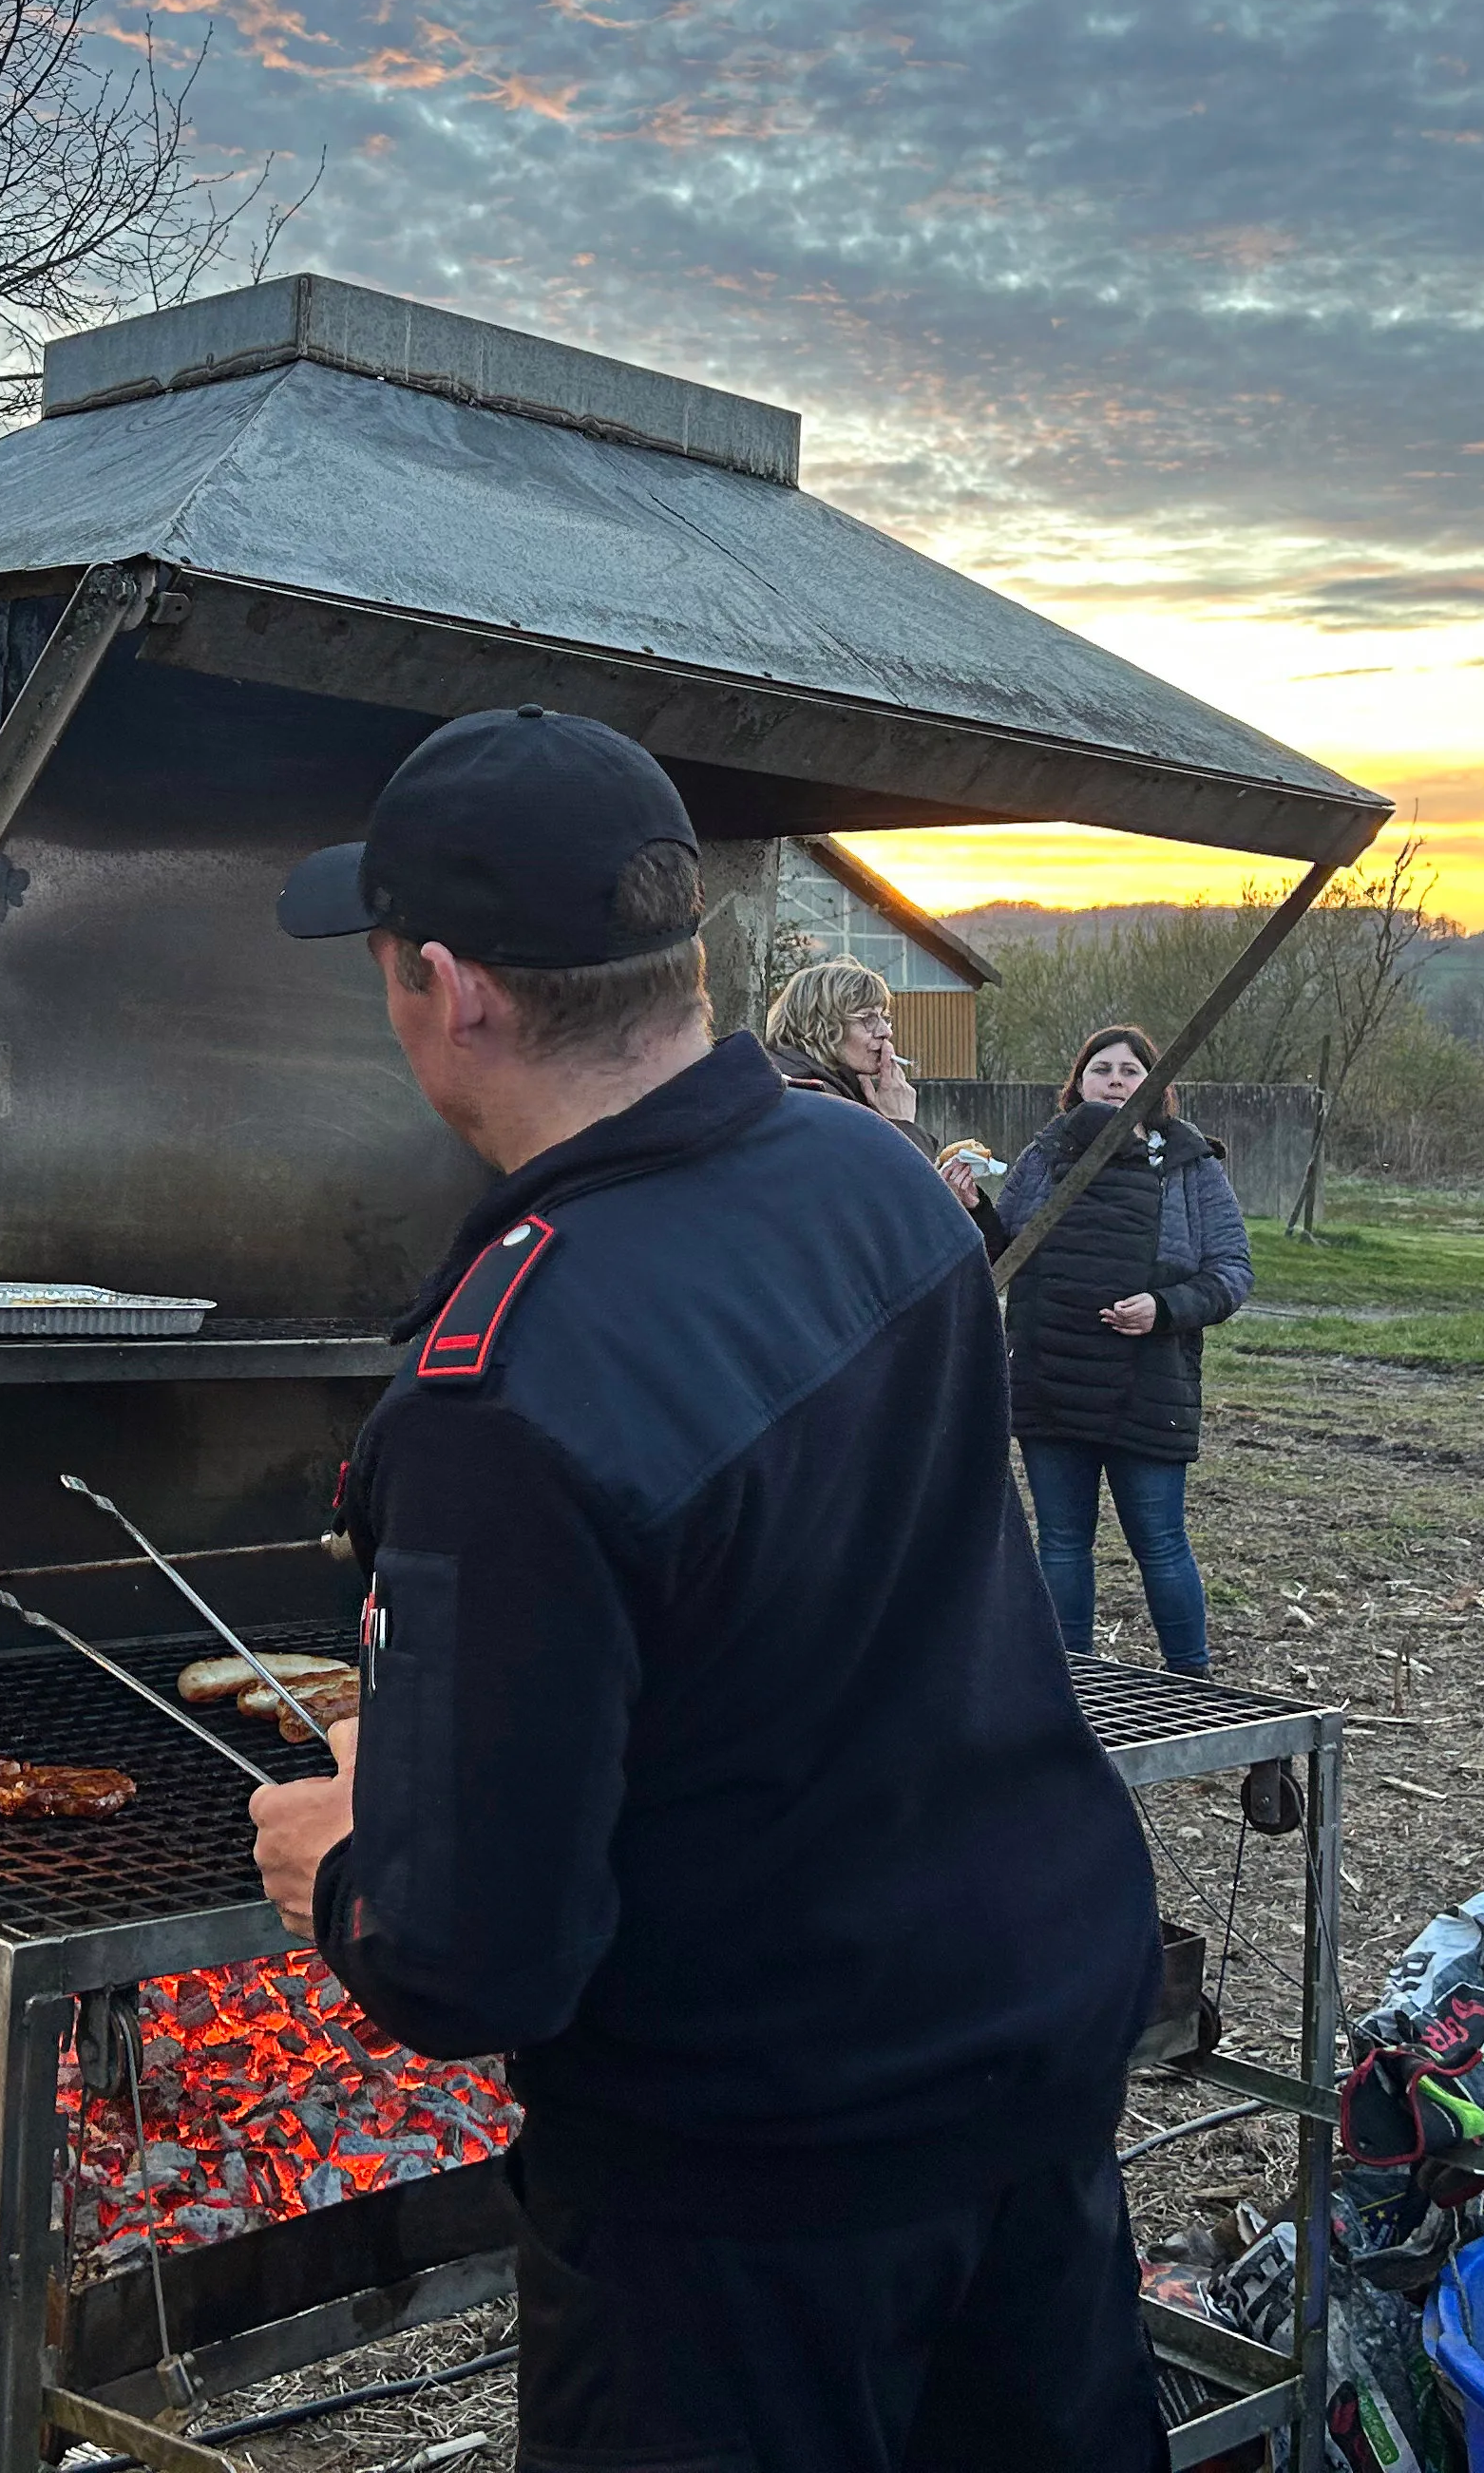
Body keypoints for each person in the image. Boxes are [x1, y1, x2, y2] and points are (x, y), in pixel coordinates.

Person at [247, 707, 1167, 2473]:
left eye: (379, 964)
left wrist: (346, 1856)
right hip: (1022, 2064)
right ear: (679, 951)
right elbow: (822, 1608)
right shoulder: (875, 1181)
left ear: (451, 988)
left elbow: (480, 1959)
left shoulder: (505, 1379)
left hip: (749, 2192)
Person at [999, 1024, 1254, 1677]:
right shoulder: (1042, 1161)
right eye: (1102, 1069)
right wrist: (971, 1207)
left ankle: (1192, 1685)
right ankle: (1071, 1686)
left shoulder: (1188, 1168)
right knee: (1061, 1545)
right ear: (1076, 1085)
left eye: (1131, 1071)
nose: (1116, 1080)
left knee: (1161, 1543)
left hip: (1149, 1387)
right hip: (1052, 1381)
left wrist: (1163, 1308)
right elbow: (999, 1257)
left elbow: (1230, 1272)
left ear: (1156, 1086)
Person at [765, 957, 992, 1213]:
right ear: (821, 1026)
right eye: (868, 1019)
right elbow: (892, 1204)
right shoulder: (808, 1098)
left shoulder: (835, 1089)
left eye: (884, 1017)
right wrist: (902, 1124)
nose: (886, 1032)